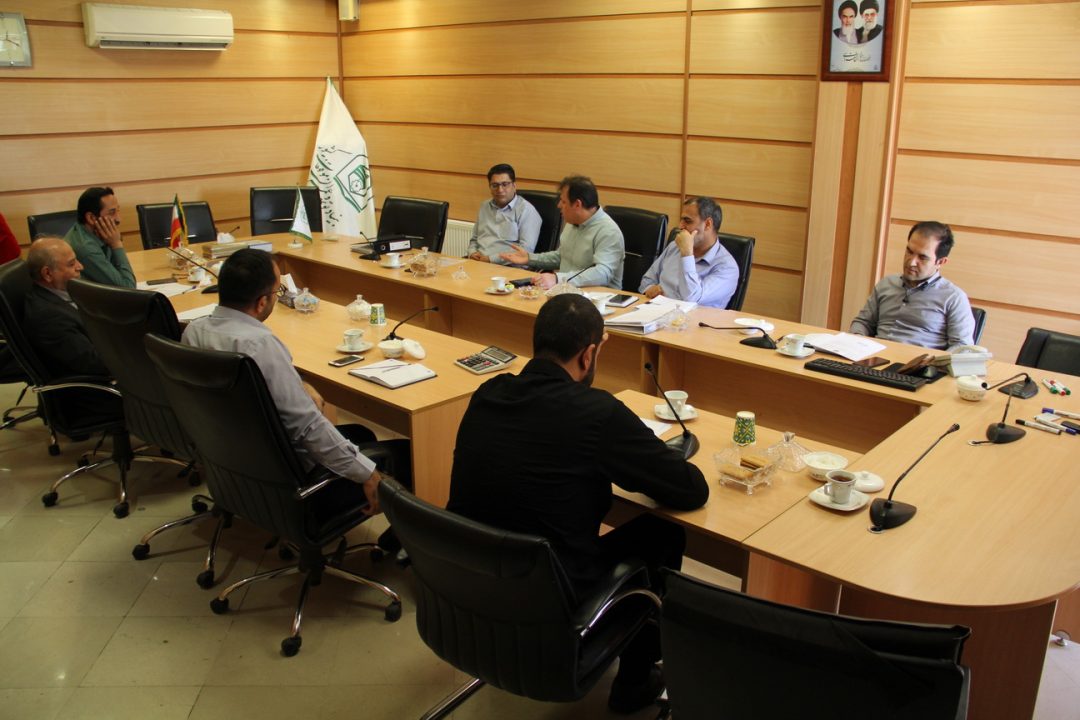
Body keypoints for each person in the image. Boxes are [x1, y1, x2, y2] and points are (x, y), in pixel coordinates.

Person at [448, 293, 709, 714]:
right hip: (552, 605)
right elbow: (691, 490)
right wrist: (652, 458)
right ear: (588, 355)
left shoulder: (488, 392)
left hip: (472, 594)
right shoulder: (597, 412)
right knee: (661, 533)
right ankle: (634, 682)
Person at [182, 249, 404, 515]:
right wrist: (368, 474)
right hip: (291, 483)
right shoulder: (259, 345)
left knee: (363, 435)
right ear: (262, 302)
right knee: (402, 455)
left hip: (233, 466)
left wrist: (298, 382)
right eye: (277, 292)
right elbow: (308, 428)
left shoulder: (194, 331)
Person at [22, 236, 122, 423]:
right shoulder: (49, 317)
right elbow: (95, 364)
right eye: (71, 264)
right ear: (48, 274)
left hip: (104, 371)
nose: (80, 267)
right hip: (94, 397)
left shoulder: (59, 295)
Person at [850, 221, 975, 351]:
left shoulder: (954, 298)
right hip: (873, 358)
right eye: (909, 251)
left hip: (919, 362)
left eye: (922, 257)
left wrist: (937, 361)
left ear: (941, 262)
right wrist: (856, 340)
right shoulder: (886, 284)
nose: (911, 262)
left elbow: (962, 347)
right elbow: (863, 322)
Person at [500, 175, 624, 290]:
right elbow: (561, 257)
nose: (559, 205)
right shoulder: (573, 222)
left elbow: (602, 274)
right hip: (567, 291)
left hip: (600, 298)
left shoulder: (608, 231)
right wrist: (529, 258)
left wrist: (558, 279)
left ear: (577, 204)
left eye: (563, 201)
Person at [639, 197, 739, 308]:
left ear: (708, 224)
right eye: (681, 220)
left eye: (687, 221)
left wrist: (687, 254)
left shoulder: (727, 267)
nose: (680, 226)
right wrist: (649, 289)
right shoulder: (674, 247)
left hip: (694, 318)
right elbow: (647, 280)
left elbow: (692, 297)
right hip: (656, 311)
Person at [467, 163, 542, 265]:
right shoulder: (484, 206)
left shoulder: (526, 210)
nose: (500, 190)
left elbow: (525, 250)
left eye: (505, 184)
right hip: (479, 262)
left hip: (509, 267)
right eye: (495, 185)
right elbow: (474, 239)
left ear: (514, 186)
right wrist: (472, 253)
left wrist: (491, 259)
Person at [64, 186, 136, 289]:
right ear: (91, 218)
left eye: (118, 211)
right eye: (112, 212)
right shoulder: (86, 248)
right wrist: (116, 244)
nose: (118, 219)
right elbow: (128, 288)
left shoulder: (95, 234)